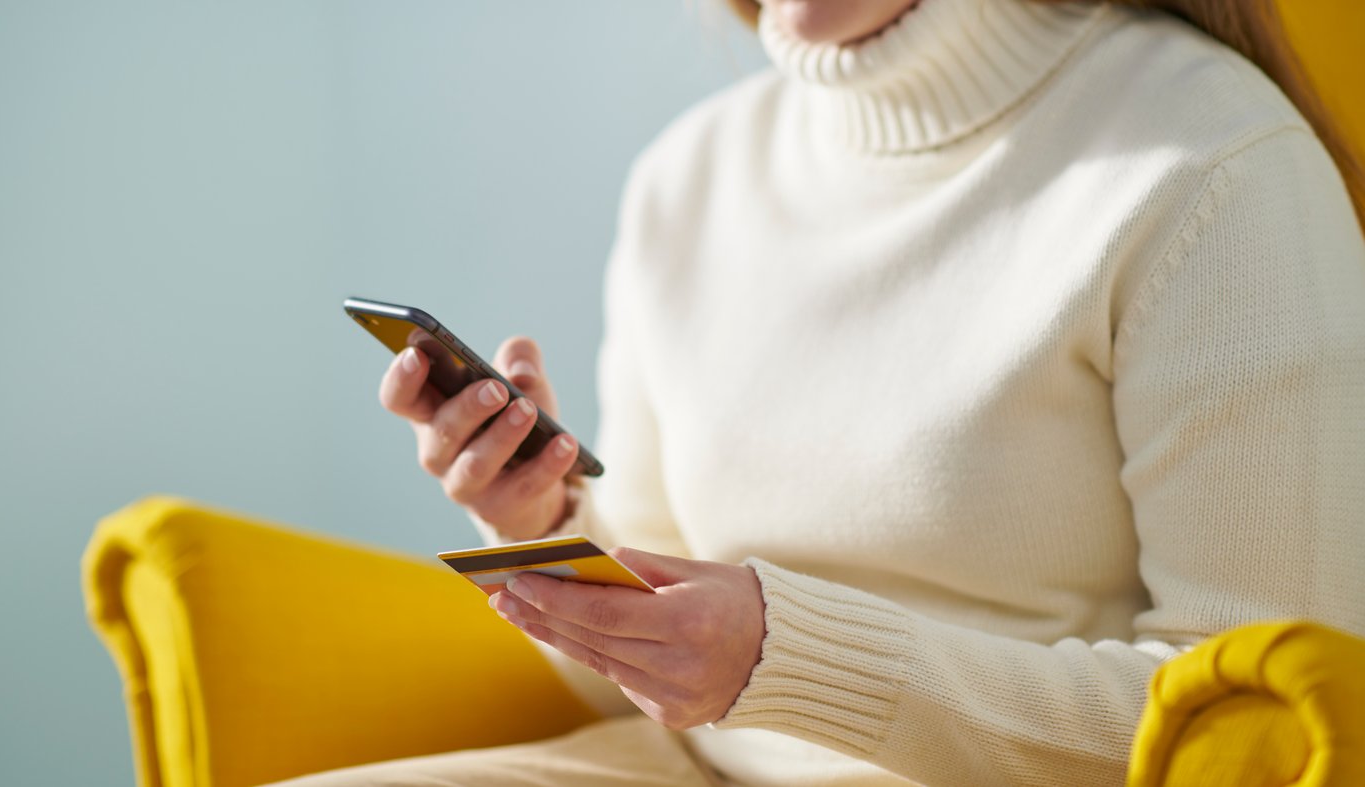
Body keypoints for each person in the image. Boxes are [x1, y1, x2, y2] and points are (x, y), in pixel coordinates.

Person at [275, 0, 1365, 784]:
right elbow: (629, 685)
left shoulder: (1211, 167)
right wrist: (542, 519)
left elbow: (1253, 730)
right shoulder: (687, 176)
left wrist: (785, 659)